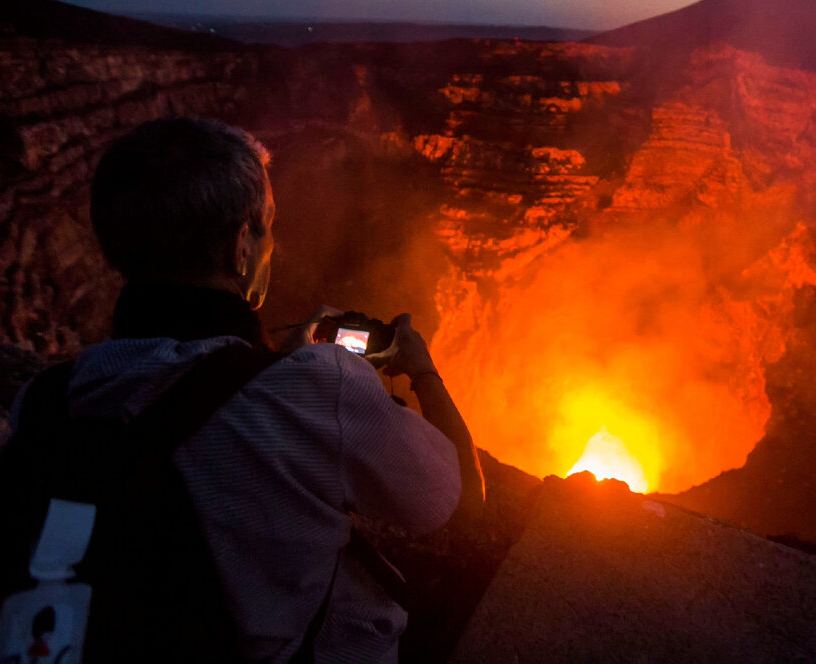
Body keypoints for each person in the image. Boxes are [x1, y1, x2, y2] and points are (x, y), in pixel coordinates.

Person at [33, 116, 483, 662]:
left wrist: (261, 366)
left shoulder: (49, 397)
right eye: (267, 225)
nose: (274, 244)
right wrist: (421, 370)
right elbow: (461, 503)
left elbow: (187, 384)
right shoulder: (321, 388)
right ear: (240, 244)